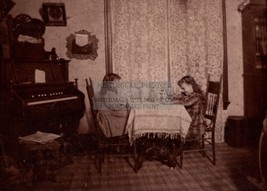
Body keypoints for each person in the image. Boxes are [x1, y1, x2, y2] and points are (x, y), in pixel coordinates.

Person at [173, 75, 207, 139]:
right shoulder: (187, 95)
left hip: (195, 125)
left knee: (173, 128)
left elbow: (186, 103)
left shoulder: (196, 96)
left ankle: (175, 146)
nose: (182, 90)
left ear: (191, 85)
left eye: (183, 88)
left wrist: (171, 102)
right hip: (190, 123)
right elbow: (177, 97)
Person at [96, 73, 129, 137]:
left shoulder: (110, 92)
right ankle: (129, 130)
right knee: (128, 114)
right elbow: (113, 106)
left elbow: (115, 102)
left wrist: (122, 102)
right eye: (116, 83)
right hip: (107, 114)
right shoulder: (109, 93)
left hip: (109, 111)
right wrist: (123, 104)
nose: (118, 85)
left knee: (128, 112)